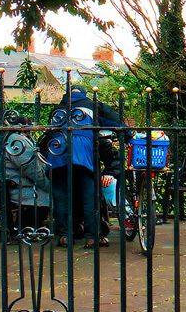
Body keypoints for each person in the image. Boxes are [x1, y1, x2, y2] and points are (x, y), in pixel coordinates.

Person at [41, 87, 124, 248]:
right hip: (84, 155)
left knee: (61, 198)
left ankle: (65, 235)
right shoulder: (92, 105)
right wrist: (126, 134)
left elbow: (48, 136)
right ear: (84, 94)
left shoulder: (58, 109)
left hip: (57, 152)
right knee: (90, 197)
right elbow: (114, 121)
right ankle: (93, 237)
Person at [0, 112, 53, 237]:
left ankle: (29, 226)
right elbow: (31, 169)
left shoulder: (4, 137)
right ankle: (29, 228)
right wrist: (48, 185)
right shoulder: (16, 140)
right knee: (46, 193)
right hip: (5, 185)